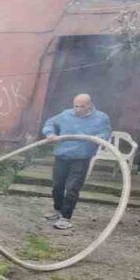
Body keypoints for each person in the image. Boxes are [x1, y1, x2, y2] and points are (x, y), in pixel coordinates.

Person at [41, 93, 111, 230]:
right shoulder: (66, 115)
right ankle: (57, 210)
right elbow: (50, 123)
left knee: (72, 187)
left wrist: (98, 137)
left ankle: (65, 218)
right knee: (57, 186)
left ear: (89, 106)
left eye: (81, 107)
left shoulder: (101, 118)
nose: (77, 109)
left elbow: (106, 133)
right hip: (62, 155)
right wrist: (50, 134)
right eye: (75, 106)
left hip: (81, 158)